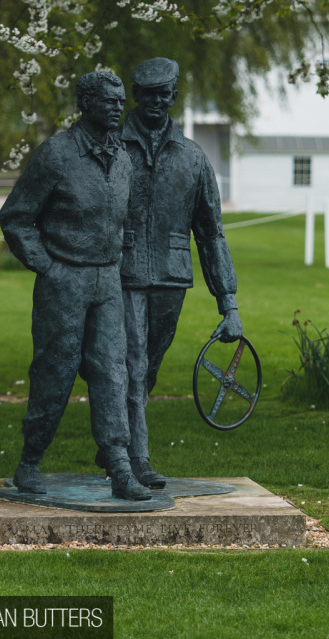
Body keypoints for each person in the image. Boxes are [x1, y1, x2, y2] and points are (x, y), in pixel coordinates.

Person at [0, 70, 151, 500]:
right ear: (86, 103)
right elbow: (15, 217)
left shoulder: (121, 156)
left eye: (122, 100)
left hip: (107, 280)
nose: (119, 107)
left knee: (112, 371)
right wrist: (47, 266)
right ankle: (30, 461)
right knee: (55, 370)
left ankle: (120, 465)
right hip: (64, 280)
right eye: (110, 100)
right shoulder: (58, 154)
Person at [100, 57, 243, 488]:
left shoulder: (194, 159)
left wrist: (229, 302)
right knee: (133, 361)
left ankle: (115, 442)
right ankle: (136, 459)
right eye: (148, 95)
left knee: (148, 368)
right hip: (122, 274)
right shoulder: (111, 147)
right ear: (136, 97)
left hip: (171, 277)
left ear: (174, 97)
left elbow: (212, 234)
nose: (156, 102)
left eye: (164, 94)